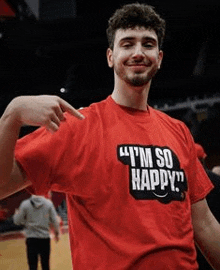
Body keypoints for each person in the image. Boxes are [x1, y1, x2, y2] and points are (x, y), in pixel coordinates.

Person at [0, 2, 220, 269]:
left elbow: (205, 225)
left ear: (159, 58)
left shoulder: (178, 131)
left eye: (148, 44)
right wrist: (12, 115)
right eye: (127, 44)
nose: (138, 52)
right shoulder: (77, 126)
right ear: (110, 56)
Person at [13, 195, 60, 270]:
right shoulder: (48, 204)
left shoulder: (25, 204)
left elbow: (17, 221)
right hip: (44, 239)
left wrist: (17, 213)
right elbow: (55, 220)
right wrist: (57, 233)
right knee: (45, 265)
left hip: (31, 239)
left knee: (32, 266)